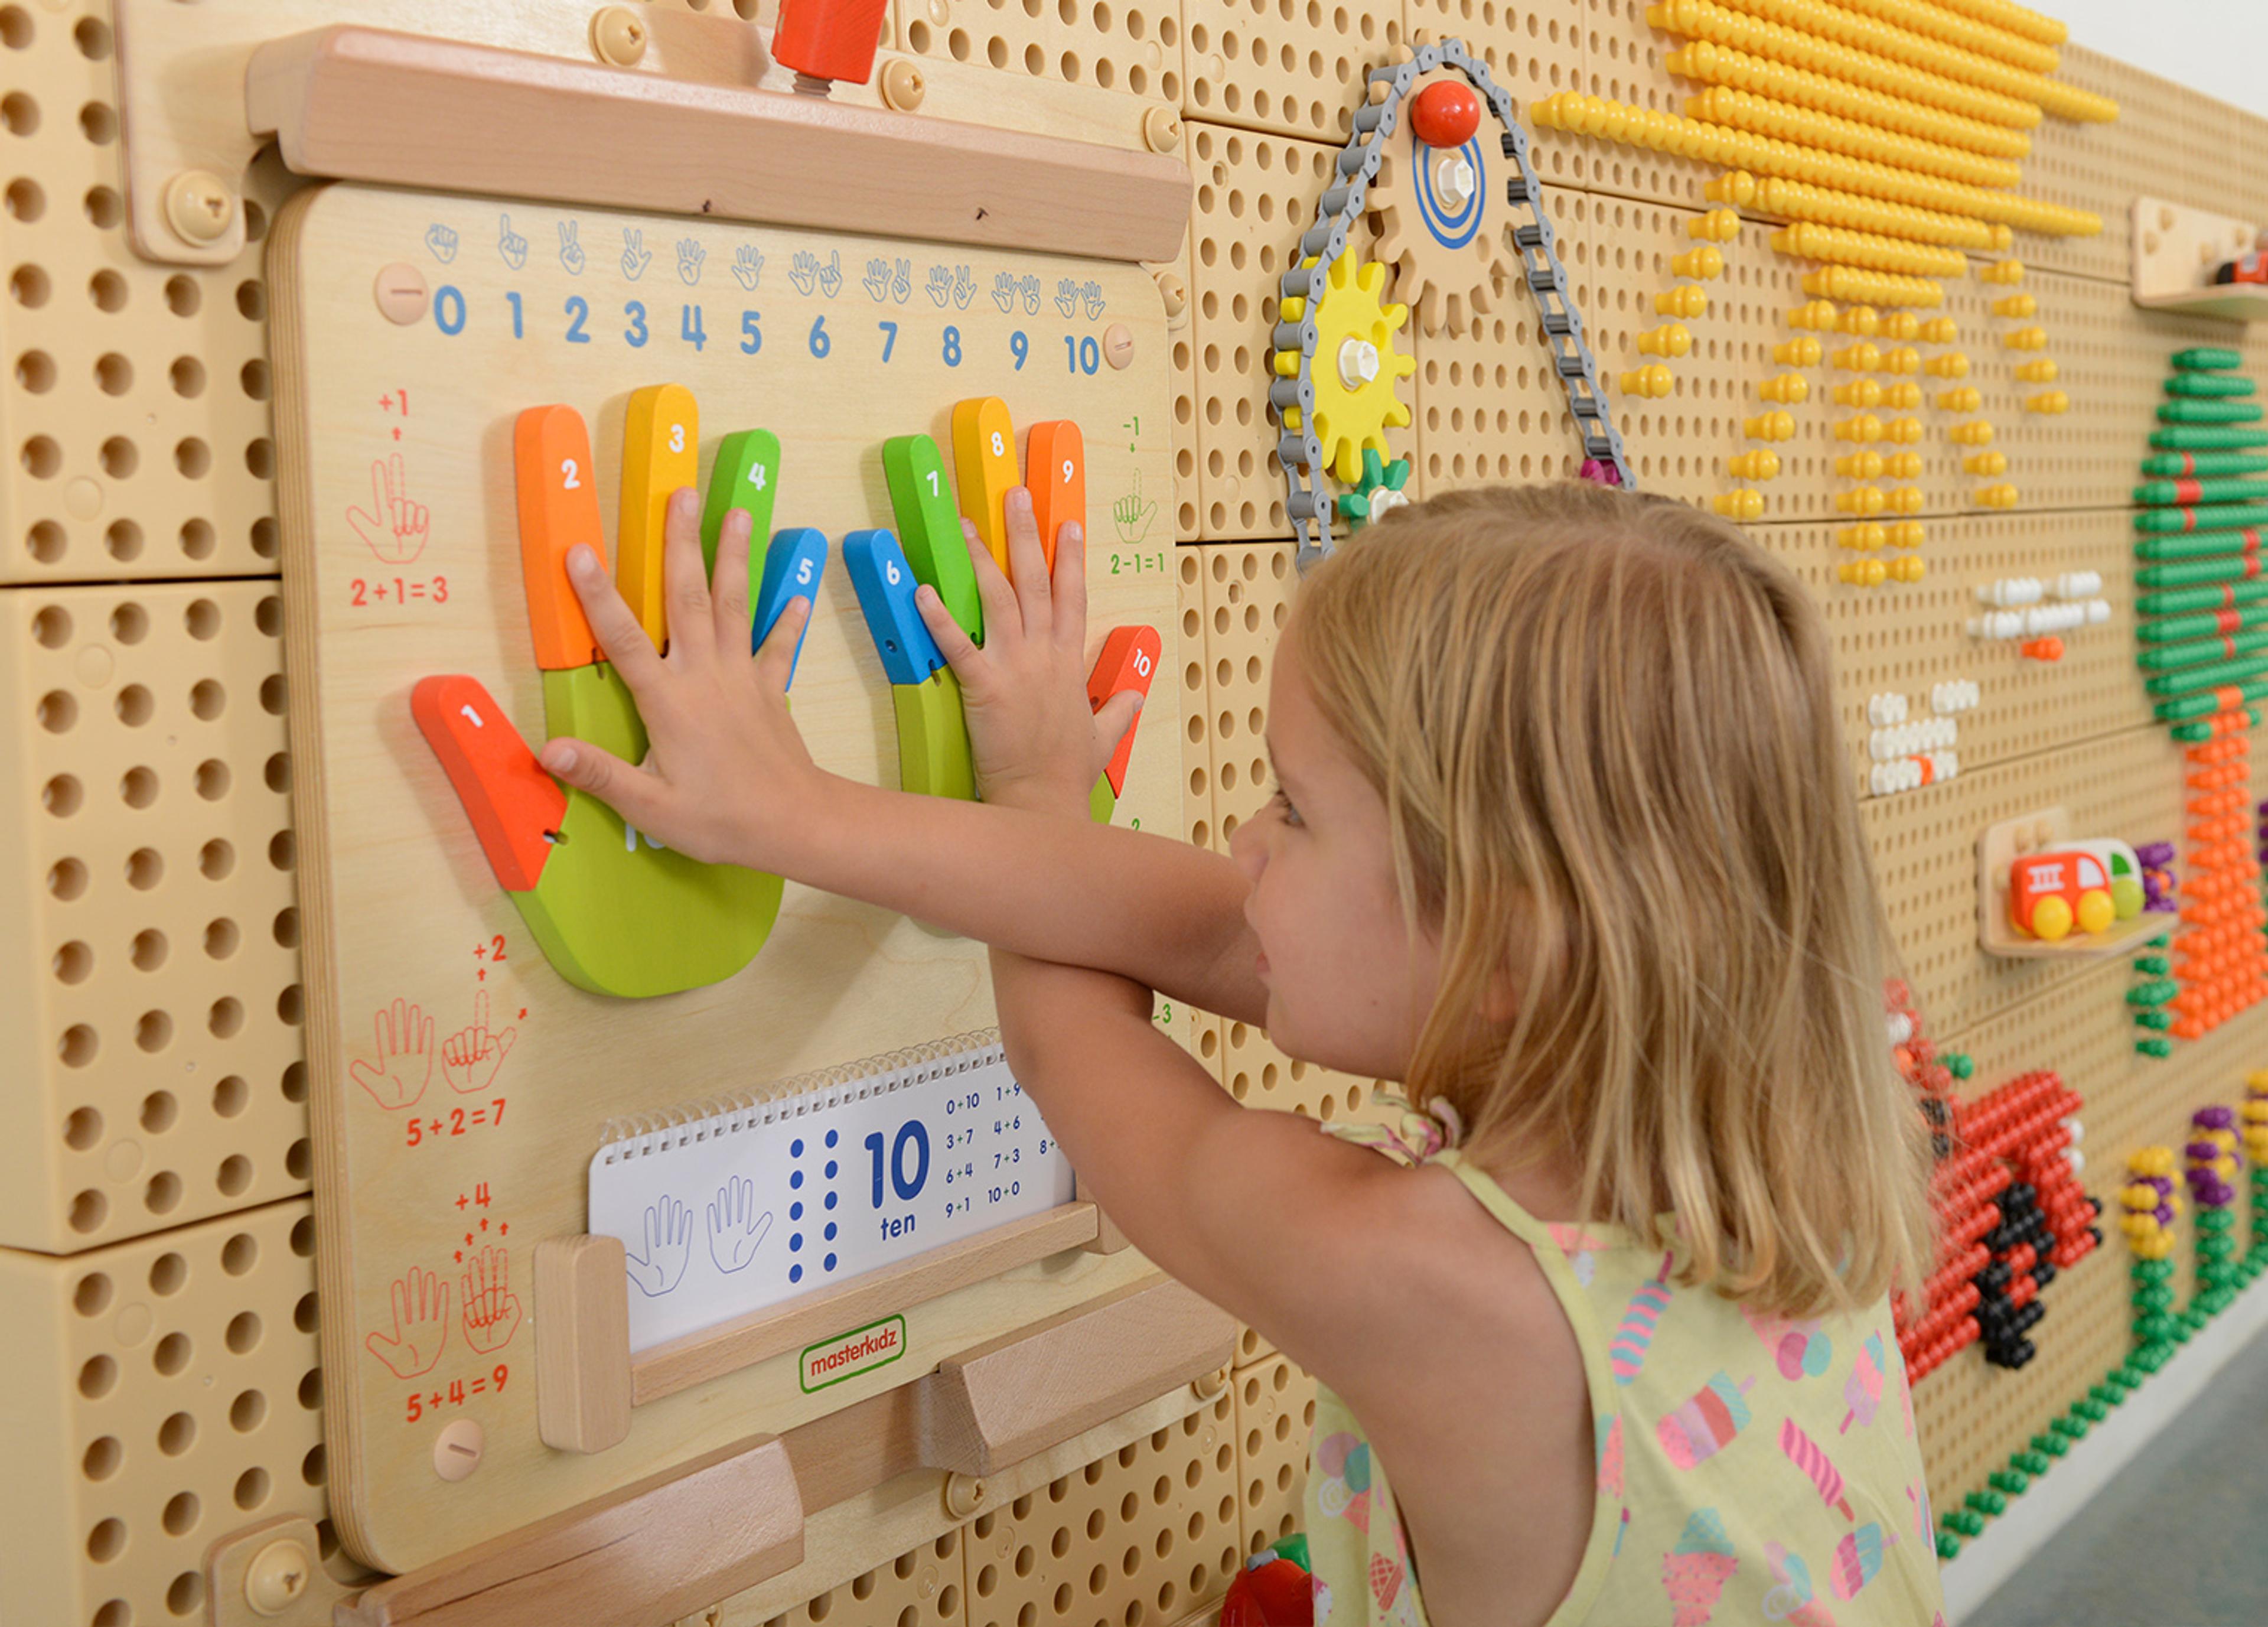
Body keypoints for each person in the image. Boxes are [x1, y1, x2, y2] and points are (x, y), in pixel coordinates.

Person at [534, 479, 1947, 1627]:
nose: (1241, 841)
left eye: (1293, 807)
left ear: (1504, 954)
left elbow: (1068, 1040)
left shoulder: (1437, 1285)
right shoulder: (1768, 1144)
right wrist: (1031, 808)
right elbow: (1206, 937)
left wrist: (816, 812)